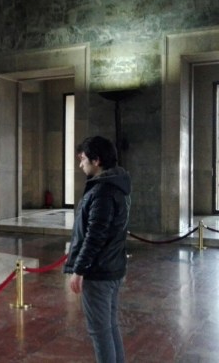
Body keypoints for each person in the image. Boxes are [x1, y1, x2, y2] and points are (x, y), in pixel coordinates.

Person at [64, 135, 131, 363]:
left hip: (99, 272)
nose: (81, 165)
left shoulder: (102, 191)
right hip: (112, 267)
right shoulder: (115, 185)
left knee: (100, 332)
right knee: (109, 327)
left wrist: (79, 269)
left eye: (83, 159)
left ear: (97, 160)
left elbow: (94, 236)